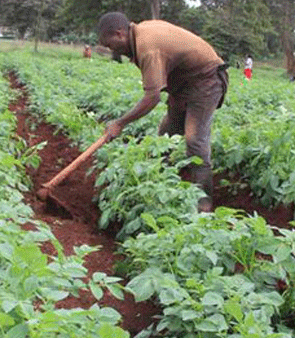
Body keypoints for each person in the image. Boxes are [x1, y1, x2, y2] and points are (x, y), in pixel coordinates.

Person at [97, 12, 228, 212]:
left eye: (109, 45)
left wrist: (119, 123)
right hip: (183, 84)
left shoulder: (147, 47)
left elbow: (152, 98)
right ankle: (159, 185)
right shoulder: (140, 33)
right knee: (166, 134)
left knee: (195, 140)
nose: (110, 50)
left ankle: (204, 205)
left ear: (119, 34)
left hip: (206, 81)